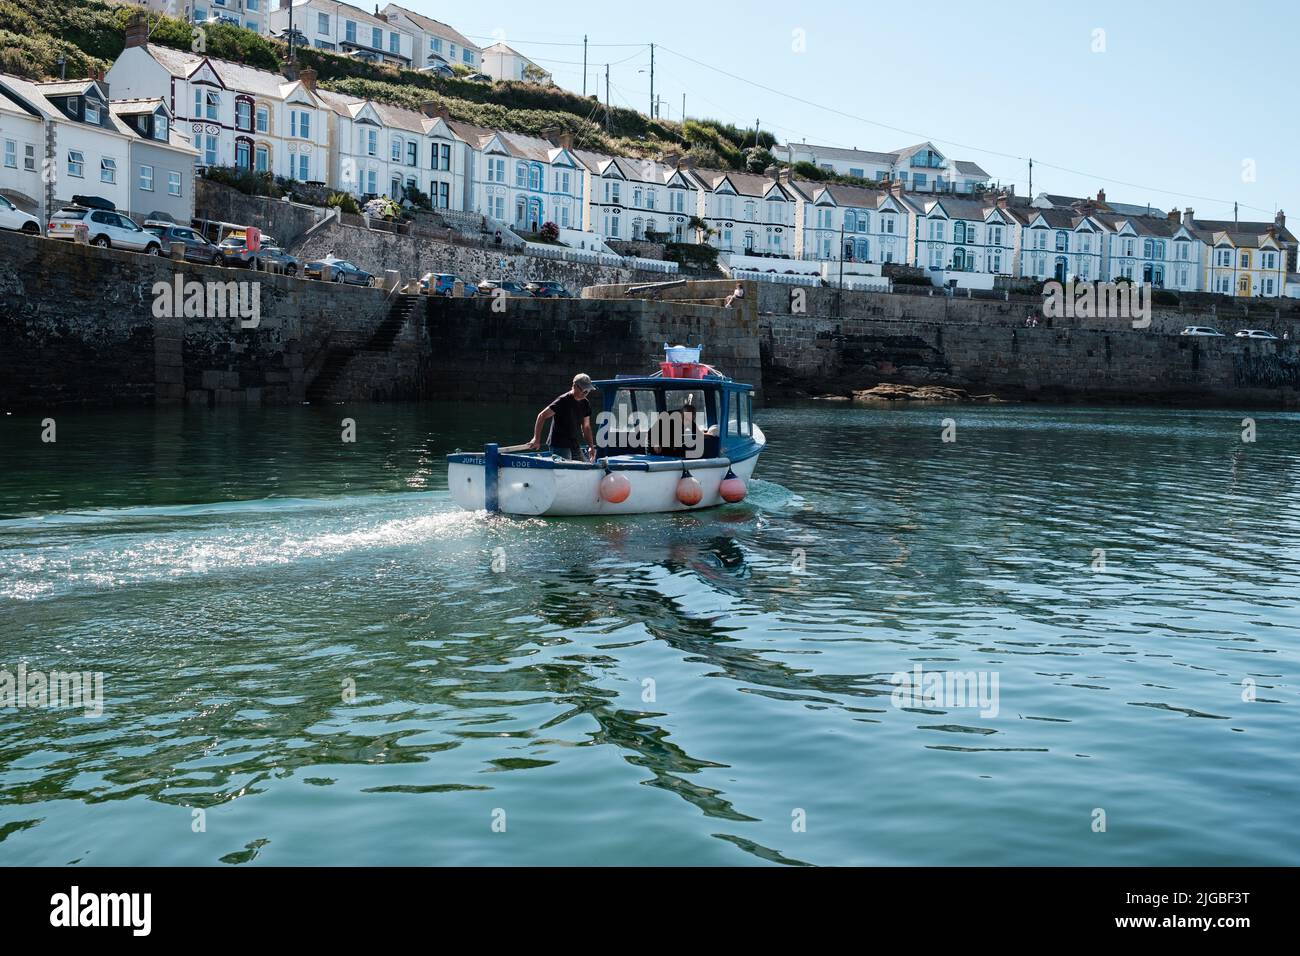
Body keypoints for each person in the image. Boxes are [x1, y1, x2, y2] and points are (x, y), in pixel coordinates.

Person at [527, 374, 597, 462]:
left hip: (574, 443)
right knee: (567, 468)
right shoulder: (562, 401)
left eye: (588, 391)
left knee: (585, 466)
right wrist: (536, 438)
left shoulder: (585, 404)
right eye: (584, 390)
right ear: (574, 386)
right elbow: (542, 416)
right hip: (559, 444)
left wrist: (591, 446)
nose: (585, 393)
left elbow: (586, 427)